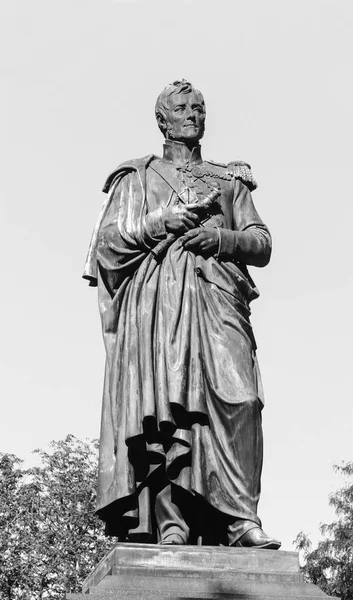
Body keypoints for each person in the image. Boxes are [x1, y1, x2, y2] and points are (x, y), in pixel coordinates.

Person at [83, 79, 280, 549]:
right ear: (162, 120)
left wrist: (221, 240)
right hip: (159, 310)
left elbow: (262, 243)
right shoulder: (136, 179)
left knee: (243, 401)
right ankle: (172, 520)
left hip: (218, 300)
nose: (193, 113)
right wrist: (157, 224)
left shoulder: (228, 180)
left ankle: (240, 518)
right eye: (182, 107)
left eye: (199, 107)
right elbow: (105, 250)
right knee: (168, 405)